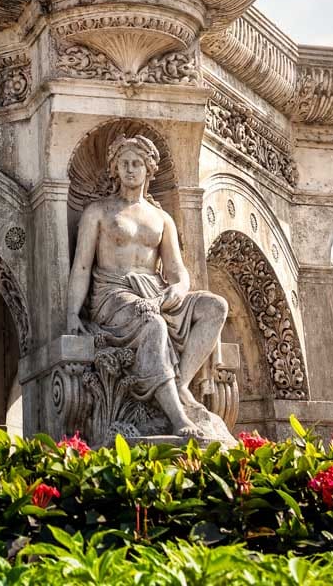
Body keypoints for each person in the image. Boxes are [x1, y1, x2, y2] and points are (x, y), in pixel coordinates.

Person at [64, 135, 230, 438]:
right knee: (152, 324)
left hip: (156, 294)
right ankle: (178, 418)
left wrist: (172, 294)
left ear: (148, 169)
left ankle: (180, 384)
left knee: (214, 307)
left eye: (137, 163)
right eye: (124, 163)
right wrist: (72, 313)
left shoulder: (161, 218)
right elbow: (83, 267)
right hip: (113, 294)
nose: (130, 169)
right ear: (114, 168)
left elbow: (178, 273)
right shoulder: (98, 212)